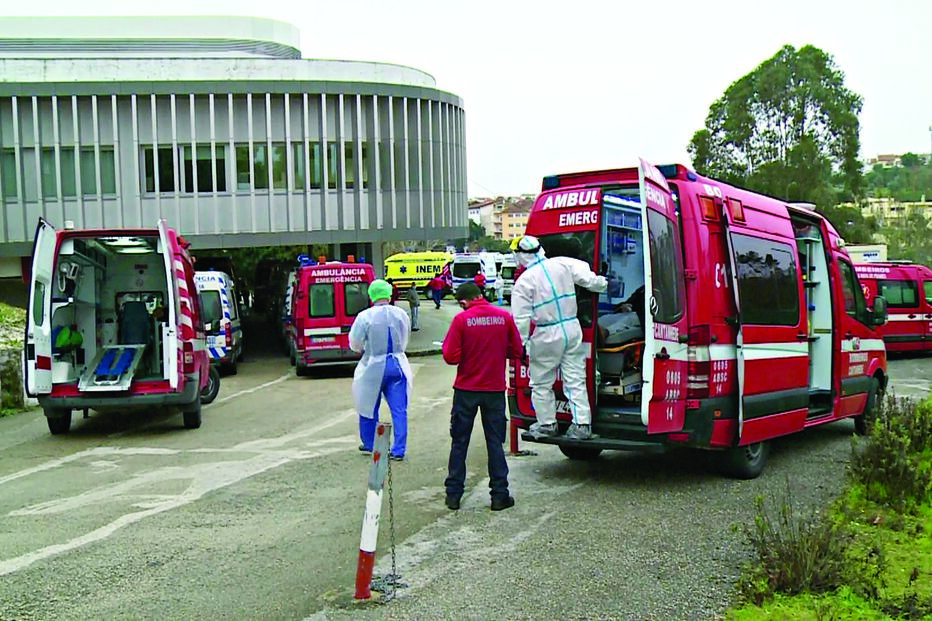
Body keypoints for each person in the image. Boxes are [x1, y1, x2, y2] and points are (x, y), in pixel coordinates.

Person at [511, 235, 608, 441]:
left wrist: (520, 345)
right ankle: (582, 425)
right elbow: (591, 280)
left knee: (541, 382)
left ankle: (547, 424)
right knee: (575, 379)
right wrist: (603, 284)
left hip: (546, 333)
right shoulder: (563, 263)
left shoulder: (524, 282)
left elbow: (520, 319)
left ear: (521, 256)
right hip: (572, 327)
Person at [442, 282, 523, 512]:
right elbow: (517, 350)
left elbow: (450, 356)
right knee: (495, 442)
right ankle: (499, 496)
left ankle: (453, 496)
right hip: (494, 390)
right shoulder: (504, 317)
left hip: (466, 390)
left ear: (463, 301)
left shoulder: (461, 320)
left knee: (460, 442)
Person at [349, 279, 413, 461]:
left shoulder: (365, 316)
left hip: (373, 366)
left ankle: (371, 443)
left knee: (367, 405)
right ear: (389, 294)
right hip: (398, 364)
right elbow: (405, 337)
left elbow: (355, 343)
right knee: (399, 409)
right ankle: (399, 449)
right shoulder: (401, 314)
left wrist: (365, 349)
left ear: (371, 295)